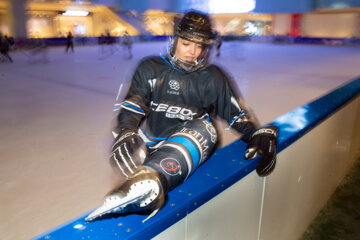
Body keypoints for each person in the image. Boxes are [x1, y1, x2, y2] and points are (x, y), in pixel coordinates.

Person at [86, 10, 278, 222]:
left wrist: (256, 133)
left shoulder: (213, 77)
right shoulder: (150, 68)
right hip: (153, 149)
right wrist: (126, 129)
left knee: (207, 127)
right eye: (187, 43)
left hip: (195, 144)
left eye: (200, 46)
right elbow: (133, 106)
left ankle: (151, 181)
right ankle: (147, 179)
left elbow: (235, 115)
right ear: (175, 39)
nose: (193, 52)